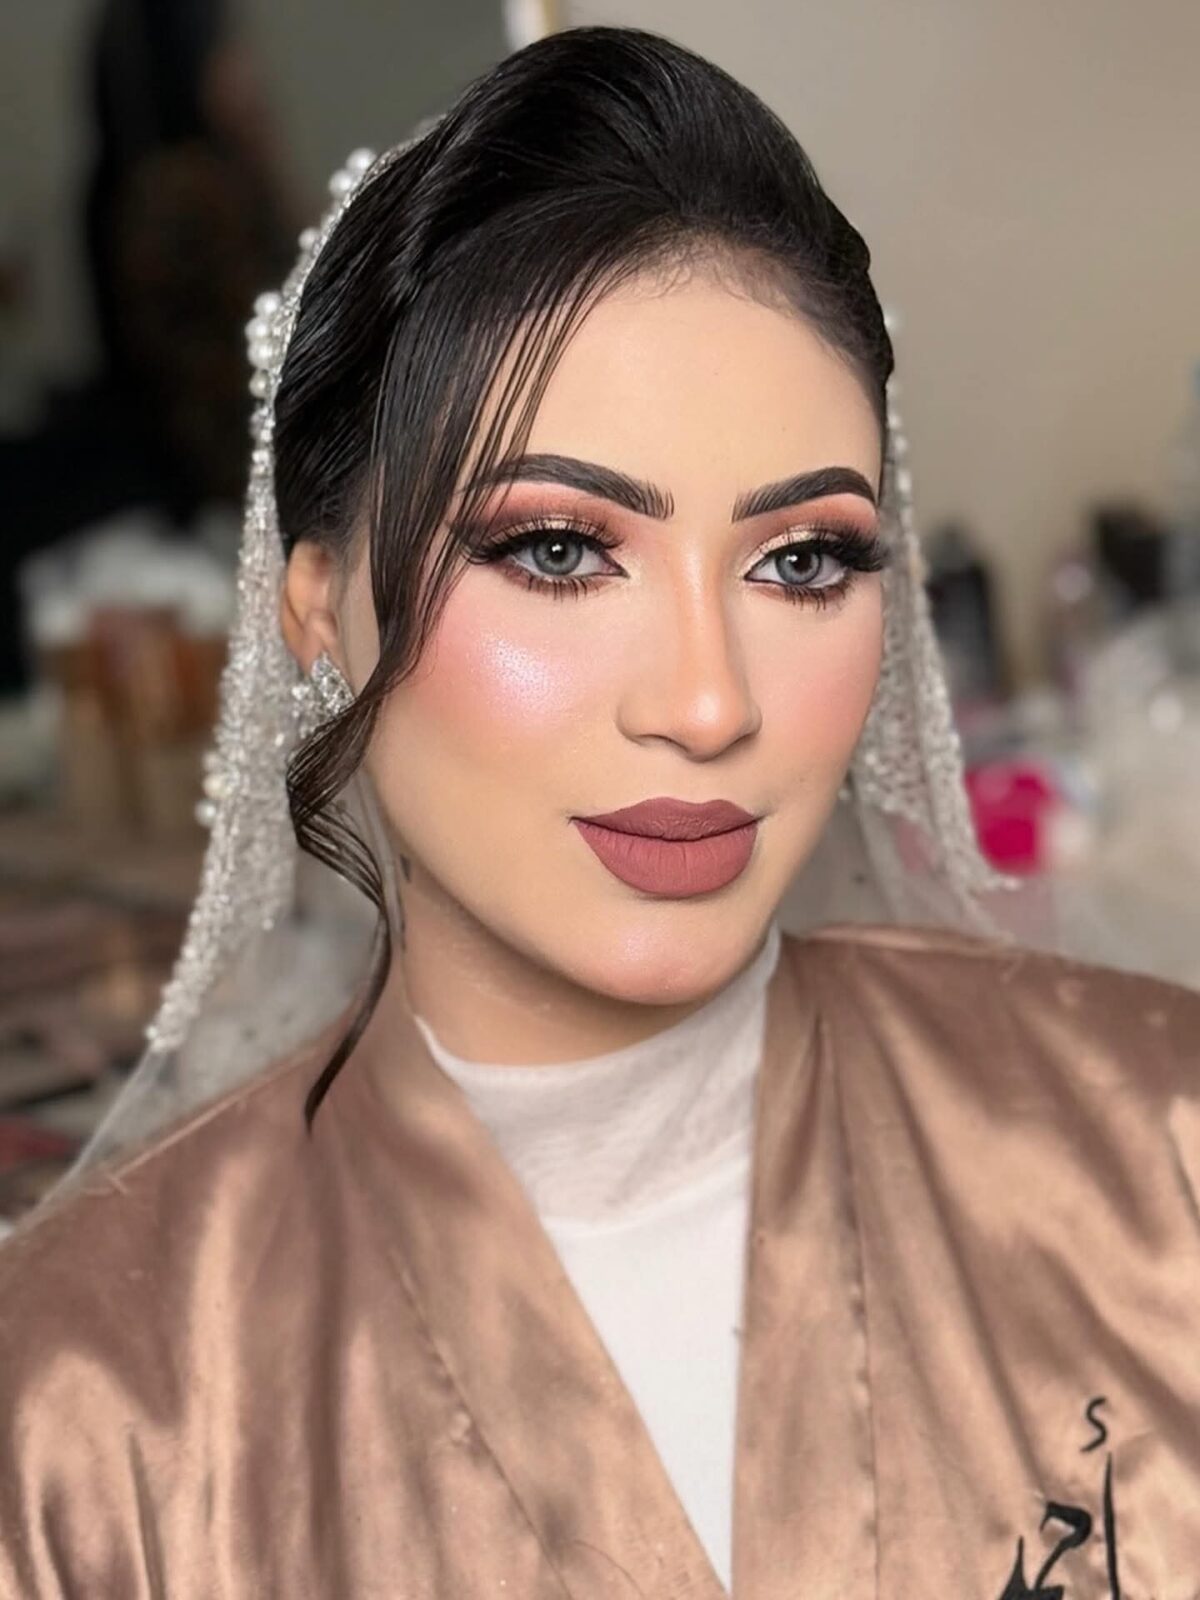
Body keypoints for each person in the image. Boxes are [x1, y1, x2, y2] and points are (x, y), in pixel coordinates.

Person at [1, 25, 1197, 1599]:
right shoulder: (87, 1415)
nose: (707, 702)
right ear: (317, 602)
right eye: (559, 550)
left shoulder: (1158, 1149)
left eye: (802, 561)